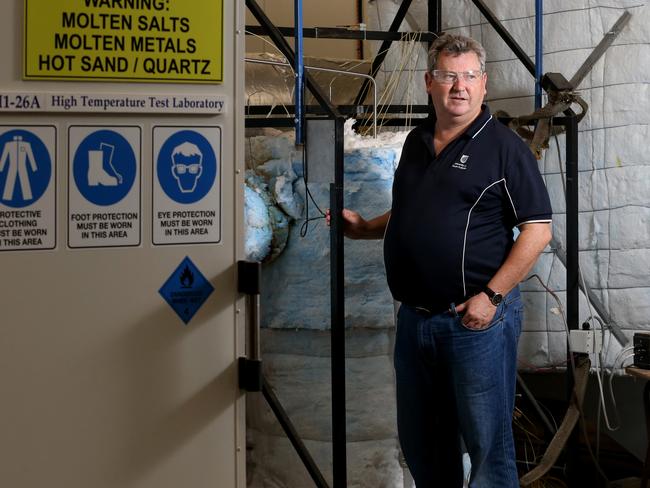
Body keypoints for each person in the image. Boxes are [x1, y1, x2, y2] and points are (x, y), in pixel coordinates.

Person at [339, 34, 552, 487]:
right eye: (449, 76)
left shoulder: (504, 149)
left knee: (487, 452)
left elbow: (537, 229)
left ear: (484, 84)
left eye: (469, 76)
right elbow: (416, 212)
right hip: (415, 322)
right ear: (428, 83)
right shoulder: (417, 142)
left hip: (474, 322)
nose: (460, 86)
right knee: (424, 448)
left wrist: (492, 296)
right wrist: (363, 229)